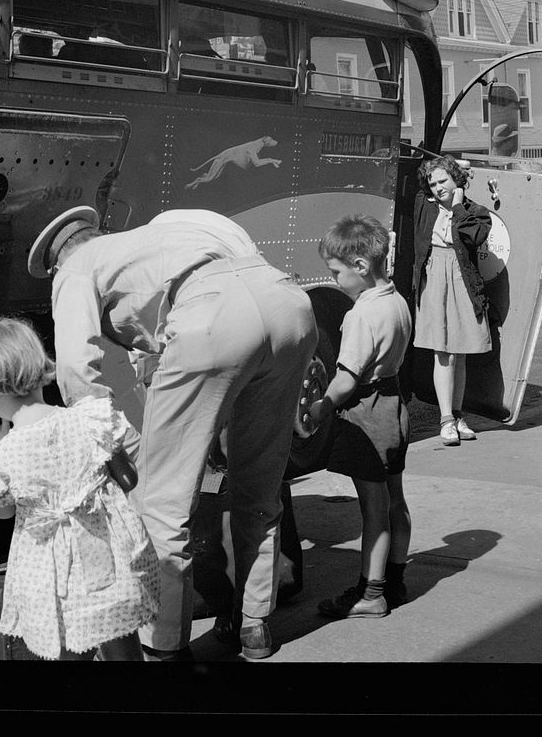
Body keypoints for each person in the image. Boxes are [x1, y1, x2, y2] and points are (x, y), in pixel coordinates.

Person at [27, 206, 317, 661]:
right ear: (96, 231)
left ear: (58, 257)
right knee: (259, 482)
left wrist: (104, 444)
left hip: (210, 317)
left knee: (162, 505)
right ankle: (255, 623)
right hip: (290, 304)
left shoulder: (75, 268)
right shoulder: (158, 237)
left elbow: (75, 366)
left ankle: (164, 648)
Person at [0, 317, 159, 661]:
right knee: (120, 635)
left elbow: (3, 512)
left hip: (56, 579)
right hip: (112, 563)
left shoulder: (2, 456)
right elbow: (129, 480)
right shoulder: (89, 419)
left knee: (68, 649)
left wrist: (2, 443)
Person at [306, 215, 413, 618]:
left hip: (367, 414)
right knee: (395, 500)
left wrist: (320, 408)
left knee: (373, 510)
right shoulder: (396, 300)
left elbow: (347, 379)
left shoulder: (360, 315)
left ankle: (372, 594)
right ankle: (396, 580)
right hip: (393, 406)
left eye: (335, 272)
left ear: (360, 267)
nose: (334, 280)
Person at [412, 156, 492, 446]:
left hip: (461, 279)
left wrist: (457, 205)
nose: (437, 188)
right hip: (434, 276)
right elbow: (418, 170)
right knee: (443, 351)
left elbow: (473, 237)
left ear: (457, 180)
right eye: (432, 183)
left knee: (460, 351)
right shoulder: (424, 204)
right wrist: (439, 168)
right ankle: (446, 420)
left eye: (443, 181)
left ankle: (457, 416)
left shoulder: (476, 213)